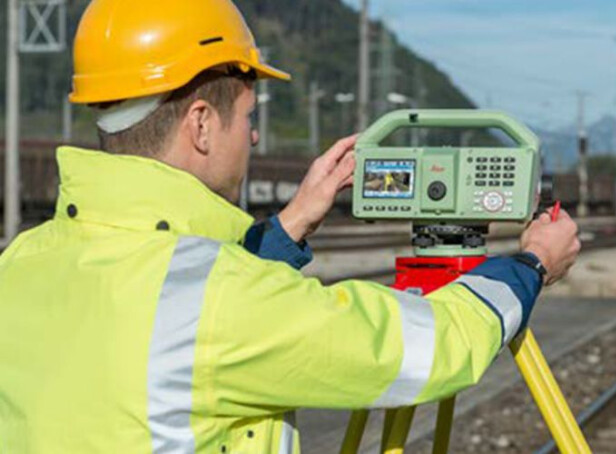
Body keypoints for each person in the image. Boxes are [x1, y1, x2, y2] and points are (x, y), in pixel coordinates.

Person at [0, 1, 581, 453]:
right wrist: (529, 264)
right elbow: (431, 350)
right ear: (202, 125)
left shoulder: (20, 265)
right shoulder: (223, 301)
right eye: (249, 118)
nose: (253, 139)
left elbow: (171, 317)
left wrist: (290, 225)